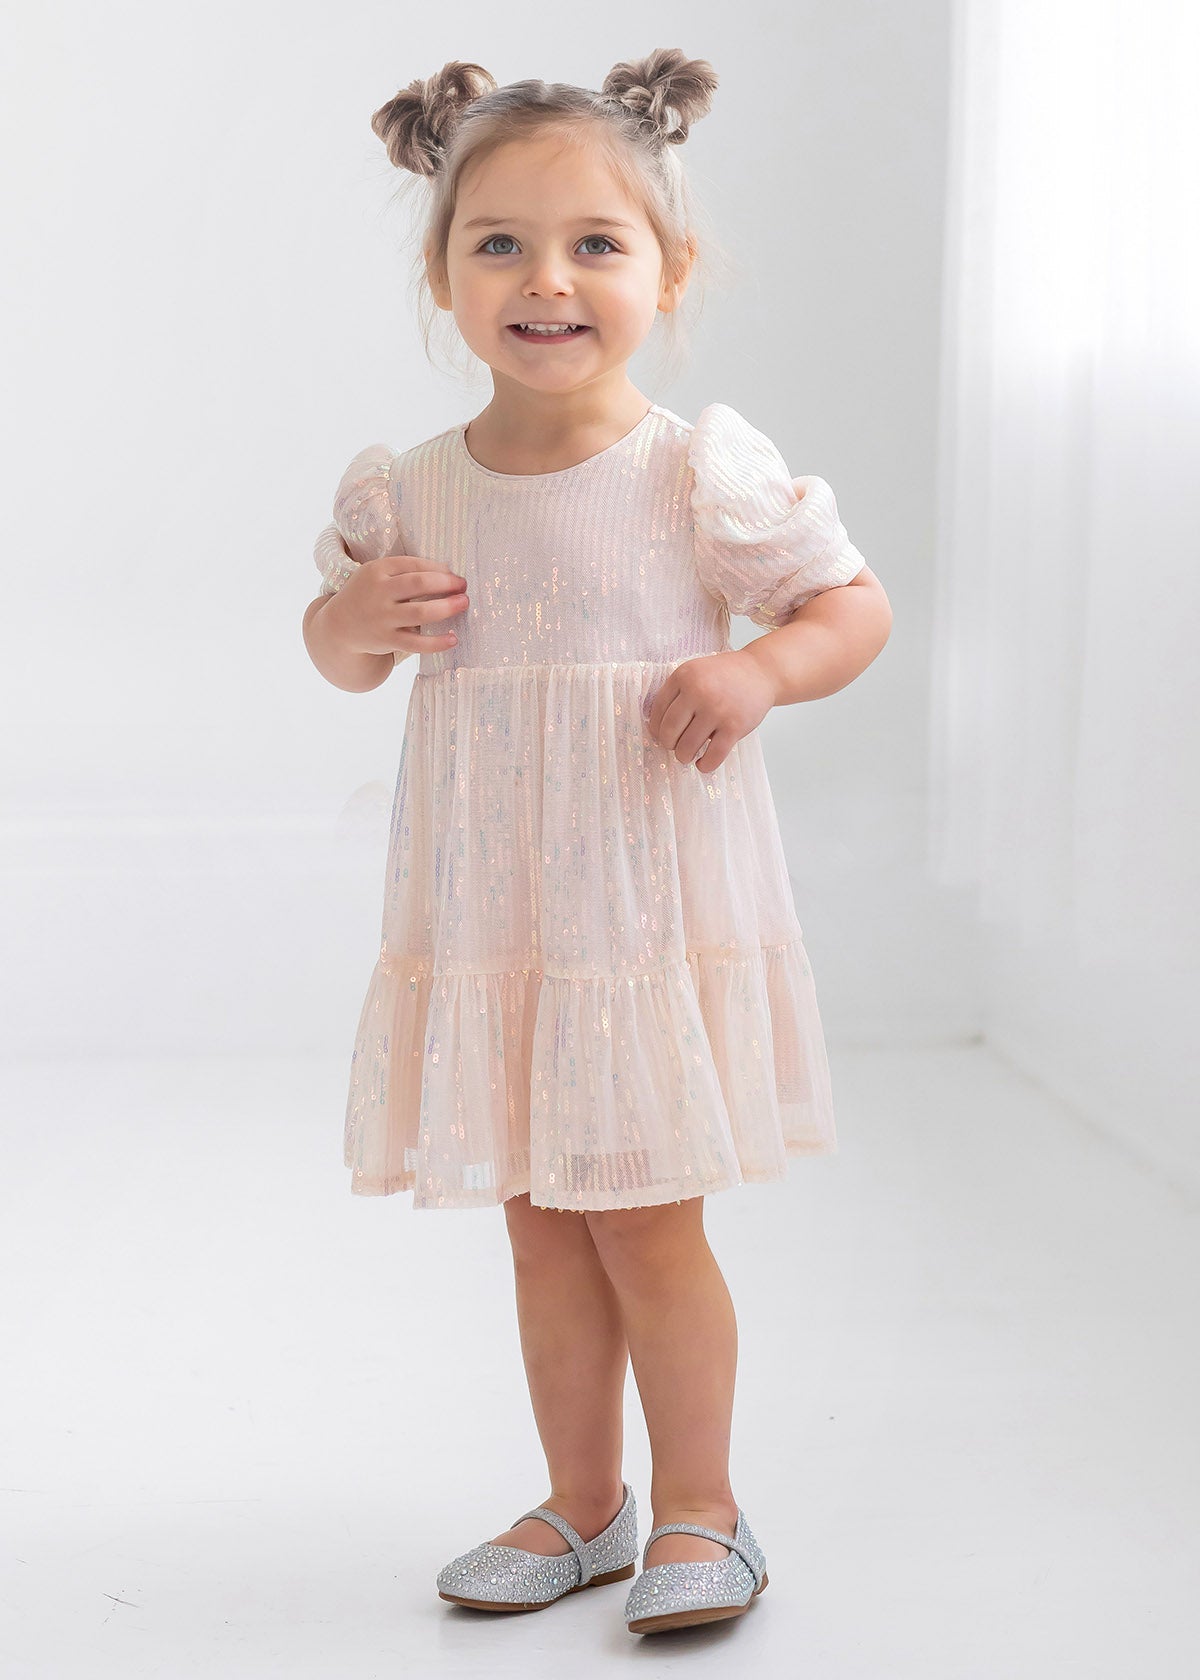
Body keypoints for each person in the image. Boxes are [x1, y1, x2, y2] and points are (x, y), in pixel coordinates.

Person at [301, 48, 892, 1638]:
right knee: (540, 1219)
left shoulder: (691, 473)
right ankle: (583, 1503)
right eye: (497, 242)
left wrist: (760, 671)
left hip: (636, 922)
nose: (545, 279)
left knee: (642, 1214)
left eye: (594, 244)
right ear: (442, 276)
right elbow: (338, 656)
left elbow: (850, 607)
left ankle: (706, 1505)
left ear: (668, 271)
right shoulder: (415, 491)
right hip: (503, 925)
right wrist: (353, 621)